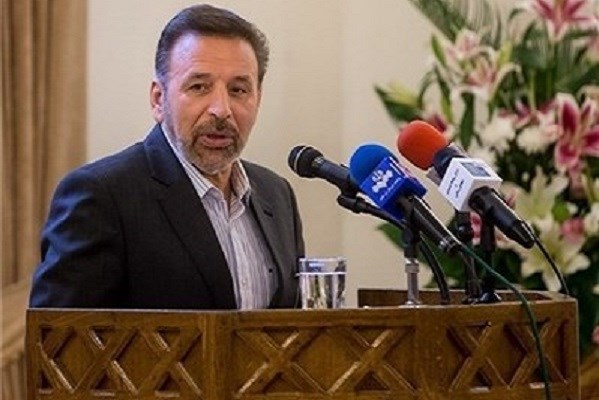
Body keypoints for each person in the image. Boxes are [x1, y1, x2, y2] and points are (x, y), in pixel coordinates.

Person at [29, 4, 304, 310]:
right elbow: (59, 334)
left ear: (258, 99)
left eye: (238, 90)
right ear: (159, 100)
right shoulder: (101, 195)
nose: (221, 109)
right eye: (199, 87)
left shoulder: (276, 194)